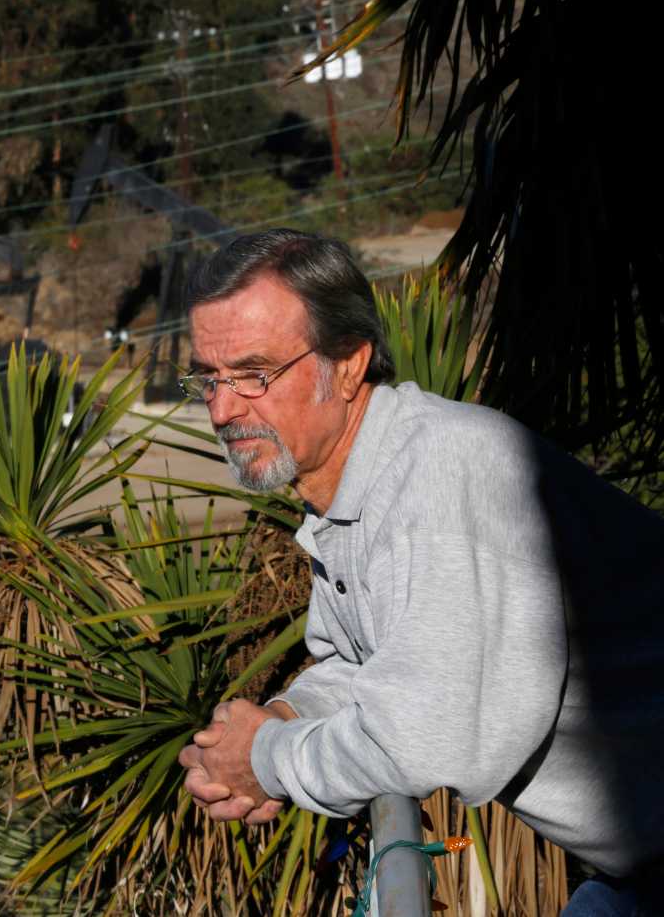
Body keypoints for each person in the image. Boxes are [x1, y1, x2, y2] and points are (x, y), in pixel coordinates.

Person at [171, 229, 664, 912]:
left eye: (255, 374)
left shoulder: (438, 474)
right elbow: (367, 666)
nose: (222, 409)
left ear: (349, 364)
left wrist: (265, 761)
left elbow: (426, 732)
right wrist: (282, 714)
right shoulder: (350, 503)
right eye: (208, 377)